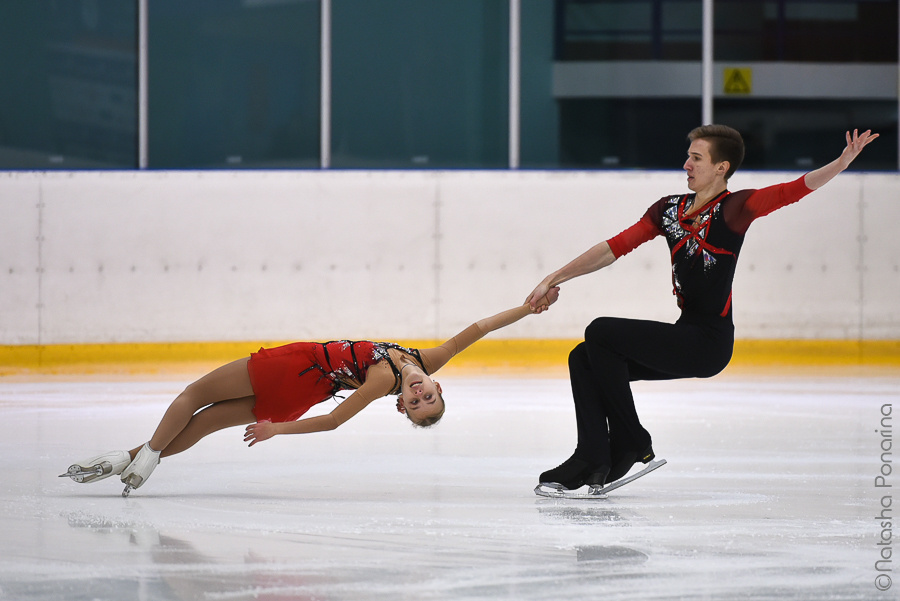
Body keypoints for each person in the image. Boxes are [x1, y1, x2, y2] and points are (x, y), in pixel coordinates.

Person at [526, 126, 878, 491]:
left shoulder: (735, 209)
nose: (686, 165)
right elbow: (613, 248)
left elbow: (793, 190)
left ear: (721, 167)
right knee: (583, 358)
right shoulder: (669, 210)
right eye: (688, 157)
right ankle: (592, 456)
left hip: (708, 343)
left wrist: (841, 163)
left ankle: (631, 439)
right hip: (685, 333)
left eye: (696, 158)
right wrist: (554, 278)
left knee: (601, 331)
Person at [61, 288, 559, 495]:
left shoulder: (383, 379)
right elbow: (480, 328)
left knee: (194, 395)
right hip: (304, 394)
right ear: (436, 383)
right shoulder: (429, 359)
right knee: (208, 422)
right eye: (429, 395)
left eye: (415, 404)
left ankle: (145, 454)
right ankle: (127, 460)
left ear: (402, 405)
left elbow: (336, 422)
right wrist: (529, 308)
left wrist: (278, 431)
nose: (419, 394)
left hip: (297, 368)